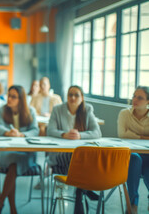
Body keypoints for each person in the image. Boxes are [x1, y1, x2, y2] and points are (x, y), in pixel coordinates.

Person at [47, 85, 102, 214]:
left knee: (84, 157)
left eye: (76, 95)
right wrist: (63, 134)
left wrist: (80, 135)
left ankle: (80, 192)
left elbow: (97, 132)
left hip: (82, 156)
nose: (72, 97)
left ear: (82, 98)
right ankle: (84, 190)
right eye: (70, 94)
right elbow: (50, 130)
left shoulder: (87, 110)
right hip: (61, 156)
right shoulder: (57, 109)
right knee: (80, 158)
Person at [0, 85, 39, 214]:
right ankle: (10, 209)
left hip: (26, 153)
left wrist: (22, 134)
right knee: (13, 164)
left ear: (21, 99)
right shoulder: (2, 110)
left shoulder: (30, 111)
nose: (9, 98)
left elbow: (35, 130)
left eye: (13, 96)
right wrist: (9, 132)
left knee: (13, 166)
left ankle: (0, 204)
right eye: (9, 95)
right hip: (7, 152)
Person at [118, 86, 149, 214]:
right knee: (135, 158)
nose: (135, 99)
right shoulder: (124, 114)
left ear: (148, 102)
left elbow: (127, 133)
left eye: (140, 97)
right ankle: (132, 204)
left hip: (147, 155)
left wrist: (133, 134)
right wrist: (144, 137)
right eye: (134, 96)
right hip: (129, 156)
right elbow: (122, 134)